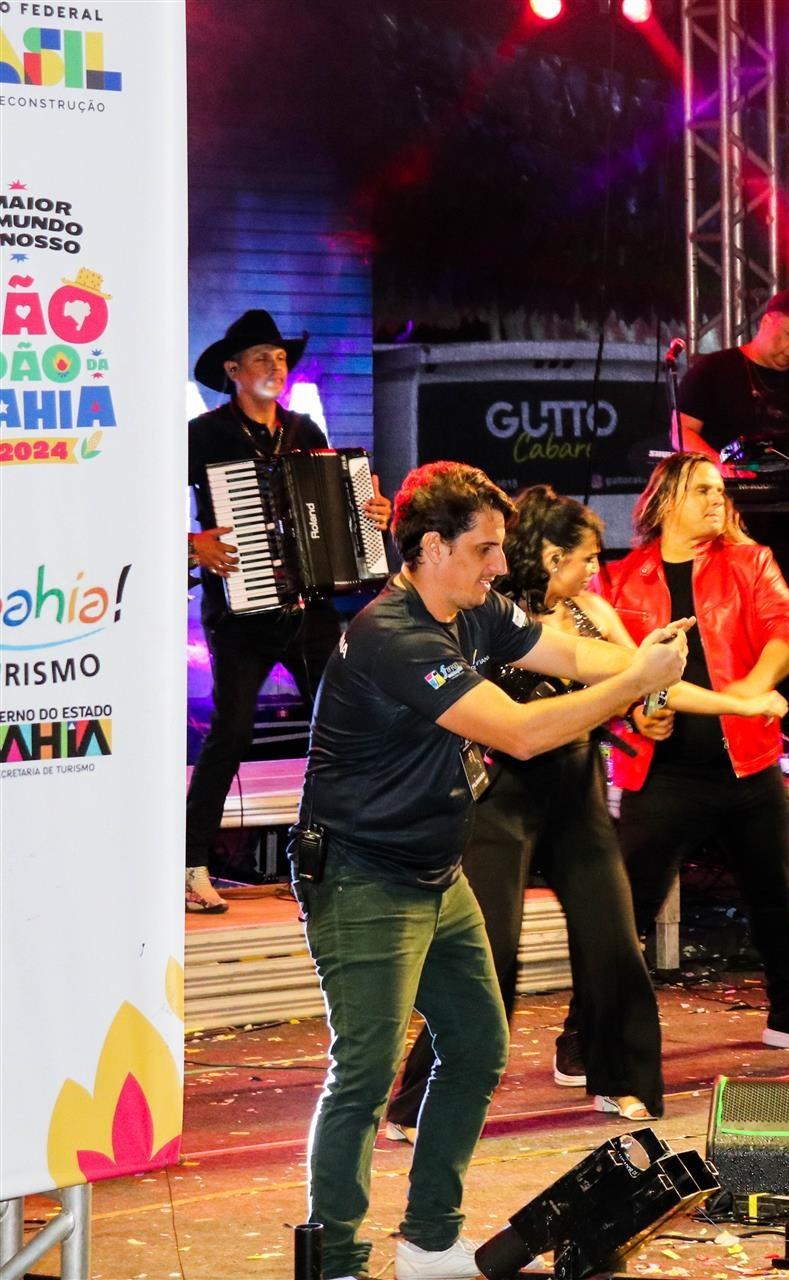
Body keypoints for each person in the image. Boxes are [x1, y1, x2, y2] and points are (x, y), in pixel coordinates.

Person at [297, 462, 688, 1280]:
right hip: (364, 877)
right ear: (431, 548)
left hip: (434, 872)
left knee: (477, 1045)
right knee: (364, 1074)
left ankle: (429, 1242)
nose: (501, 565)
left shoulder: (474, 609)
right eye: (485, 549)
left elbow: (563, 650)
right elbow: (517, 732)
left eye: (501, 548)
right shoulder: (395, 636)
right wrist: (634, 685)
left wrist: (635, 664)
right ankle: (334, 1260)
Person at [384, 486, 689, 1138]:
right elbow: (513, 728)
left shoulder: (589, 612)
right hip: (500, 796)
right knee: (488, 953)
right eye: (585, 558)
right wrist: (646, 683)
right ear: (550, 555)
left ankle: (623, 1078)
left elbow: (626, 675)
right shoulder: (487, 612)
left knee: (613, 940)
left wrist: (653, 689)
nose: (595, 570)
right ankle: (423, 1099)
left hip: (576, 792)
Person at [584, 451, 789, 1056]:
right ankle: (587, 1028)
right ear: (665, 500)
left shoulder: (750, 562)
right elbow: (608, 671)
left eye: (720, 490)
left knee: (773, 893)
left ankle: (788, 1011)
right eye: (702, 489)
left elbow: (787, 628)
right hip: (662, 771)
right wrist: (638, 712)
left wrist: (748, 693)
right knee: (628, 905)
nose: (717, 499)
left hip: (746, 763)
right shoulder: (621, 578)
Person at [184, 309, 390, 913]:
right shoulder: (203, 435)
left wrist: (373, 516)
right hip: (240, 614)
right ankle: (190, 864)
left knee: (345, 726)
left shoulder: (305, 430)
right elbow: (137, 500)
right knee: (232, 732)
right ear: (232, 370)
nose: (276, 367)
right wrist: (191, 545)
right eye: (261, 358)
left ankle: (338, 856)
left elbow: (341, 510)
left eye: (280, 358)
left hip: (310, 608)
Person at [671, 289, 789, 461]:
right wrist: (719, 466)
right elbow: (681, 433)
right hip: (719, 477)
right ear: (766, 322)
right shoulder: (712, 370)